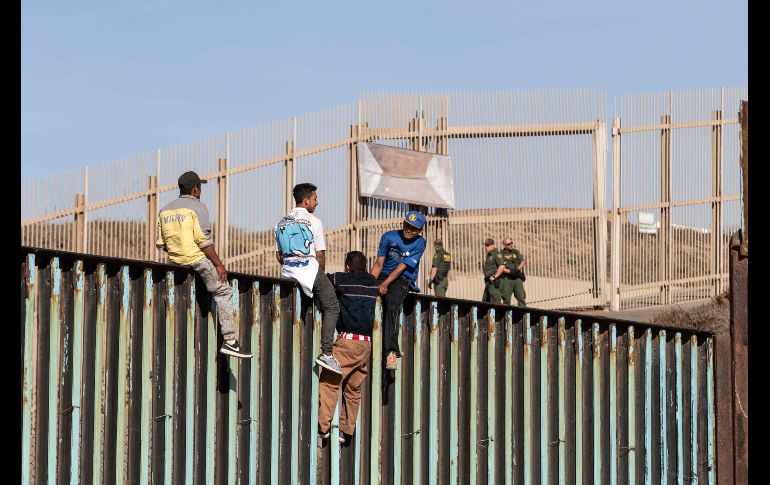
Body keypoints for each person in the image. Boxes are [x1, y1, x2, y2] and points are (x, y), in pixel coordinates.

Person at [156, 171, 251, 358]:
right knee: (224, 291)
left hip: (174, 262)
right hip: (196, 259)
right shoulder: (198, 207)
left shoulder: (165, 210)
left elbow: (161, 244)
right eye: (200, 188)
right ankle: (230, 341)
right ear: (195, 189)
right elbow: (204, 242)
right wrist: (219, 265)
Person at [275, 182, 342, 374]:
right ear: (306, 201)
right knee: (332, 306)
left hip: (288, 274)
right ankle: (326, 353)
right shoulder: (314, 221)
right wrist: (321, 276)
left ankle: (284, 349)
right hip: (310, 272)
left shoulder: (280, 223)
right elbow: (320, 254)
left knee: (289, 311)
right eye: (314, 198)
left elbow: (279, 256)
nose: (316, 202)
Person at [317, 251, 379, 445]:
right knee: (353, 388)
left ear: (347, 266)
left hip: (347, 343)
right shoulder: (372, 282)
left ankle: (323, 428)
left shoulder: (341, 279)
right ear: (365, 266)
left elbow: (321, 279)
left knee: (329, 382)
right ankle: (347, 430)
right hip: (365, 344)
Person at [369, 211, 427, 370]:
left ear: (420, 230)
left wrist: (385, 284)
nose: (409, 230)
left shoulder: (420, 243)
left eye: (414, 228)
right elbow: (378, 264)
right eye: (407, 225)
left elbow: (402, 267)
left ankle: (391, 352)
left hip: (401, 278)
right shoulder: (388, 237)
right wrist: (369, 283)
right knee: (365, 298)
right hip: (383, 276)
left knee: (391, 304)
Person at [499, 237, 527, 307]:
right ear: (504, 245)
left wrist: (518, 269)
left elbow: (522, 262)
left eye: (511, 243)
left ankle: (522, 312)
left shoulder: (516, 252)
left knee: (521, 297)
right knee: (506, 299)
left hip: (517, 278)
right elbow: (501, 267)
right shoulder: (501, 254)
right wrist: (510, 271)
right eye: (509, 244)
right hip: (507, 279)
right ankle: (506, 313)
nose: (511, 245)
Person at [481, 238, 504, 304]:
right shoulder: (490, 255)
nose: (486, 247)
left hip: (494, 281)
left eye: (488, 245)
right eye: (486, 245)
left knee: (495, 300)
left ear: (493, 245)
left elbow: (501, 266)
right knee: (485, 300)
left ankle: (498, 311)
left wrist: (495, 276)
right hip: (488, 281)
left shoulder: (496, 254)